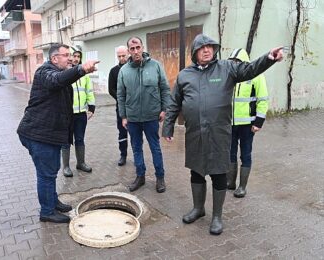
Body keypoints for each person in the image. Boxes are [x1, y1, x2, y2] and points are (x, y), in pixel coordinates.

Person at [162, 34, 283, 235]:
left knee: (219, 174)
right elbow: (174, 103)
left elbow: (250, 69)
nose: (207, 50)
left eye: (210, 47)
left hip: (219, 134)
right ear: (195, 52)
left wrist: (268, 58)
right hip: (195, 134)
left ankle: (217, 216)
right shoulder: (185, 75)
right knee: (196, 171)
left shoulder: (227, 68)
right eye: (202, 48)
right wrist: (168, 127)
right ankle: (198, 209)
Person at [17, 43, 99, 223]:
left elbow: (62, 81)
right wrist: (81, 69)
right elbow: (57, 80)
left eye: (71, 55)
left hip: (47, 134)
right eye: (66, 55)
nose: (70, 58)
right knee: (46, 174)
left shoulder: (56, 73)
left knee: (51, 171)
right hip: (38, 134)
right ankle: (47, 211)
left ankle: (53, 202)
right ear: (54, 58)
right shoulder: (44, 72)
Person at [117, 36, 170, 193]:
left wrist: (164, 109)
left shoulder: (155, 66)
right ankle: (140, 176)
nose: (136, 51)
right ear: (128, 51)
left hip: (151, 116)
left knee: (155, 148)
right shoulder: (124, 71)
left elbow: (165, 89)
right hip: (133, 118)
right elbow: (121, 95)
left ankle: (160, 177)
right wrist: (124, 116)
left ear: (142, 47)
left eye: (138, 47)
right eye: (132, 49)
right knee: (136, 148)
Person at [227, 48, 269, 198]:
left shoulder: (256, 75)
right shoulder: (230, 75)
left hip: (248, 124)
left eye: (236, 62)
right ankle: (230, 182)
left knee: (245, 154)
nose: (233, 64)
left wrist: (258, 122)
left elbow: (263, 99)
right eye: (232, 62)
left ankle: (242, 187)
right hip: (230, 123)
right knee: (230, 153)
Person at [61, 50, 96, 177]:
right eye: (74, 56)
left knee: (80, 139)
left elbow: (89, 91)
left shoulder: (85, 74)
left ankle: (81, 163)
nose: (76, 58)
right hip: (67, 114)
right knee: (65, 140)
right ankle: (65, 167)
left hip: (81, 113)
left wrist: (91, 107)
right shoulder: (64, 73)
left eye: (78, 57)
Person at [108, 46, 129, 166]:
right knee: (122, 132)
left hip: (135, 107)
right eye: (119, 56)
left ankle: (138, 155)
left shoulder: (134, 68)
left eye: (123, 55)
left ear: (128, 54)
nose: (121, 58)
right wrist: (121, 99)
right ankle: (123, 155)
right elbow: (111, 89)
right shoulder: (114, 71)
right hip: (121, 107)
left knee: (136, 132)